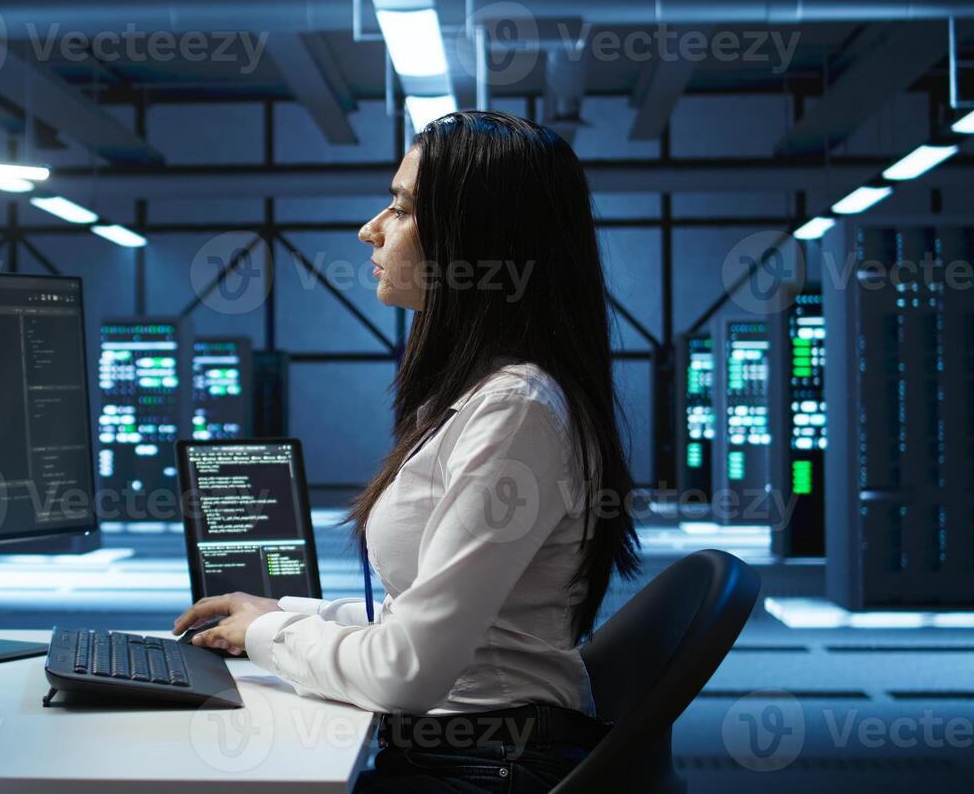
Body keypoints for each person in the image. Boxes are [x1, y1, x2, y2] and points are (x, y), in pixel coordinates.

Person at [172, 111, 640, 793]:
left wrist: (263, 638)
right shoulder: (483, 397)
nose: (371, 228)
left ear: (478, 240)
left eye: (401, 207)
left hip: (483, 766)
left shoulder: (515, 411)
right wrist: (284, 614)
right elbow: (419, 617)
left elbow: (406, 671)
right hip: (465, 747)